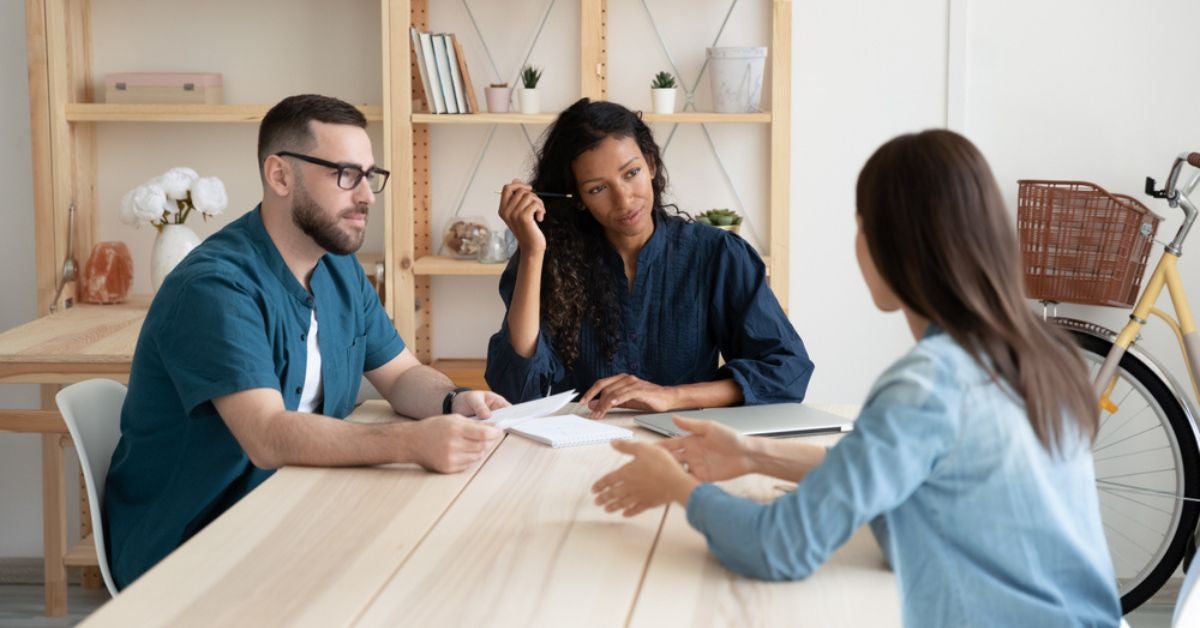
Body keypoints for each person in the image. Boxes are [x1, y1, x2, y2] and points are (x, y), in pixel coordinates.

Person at [591, 130, 1121, 626]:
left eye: (860, 224)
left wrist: (678, 489)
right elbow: (899, 474)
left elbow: (781, 547)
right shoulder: (1039, 353)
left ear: (886, 244)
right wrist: (753, 454)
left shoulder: (928, 384)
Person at [103, 94, 508, 589]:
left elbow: (400, 375)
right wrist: (409, 443)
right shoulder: (215, 287)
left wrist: (452, 400)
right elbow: (267, 436)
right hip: (194, 543)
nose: (367, 196)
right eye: (345, 175)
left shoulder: (338, 268)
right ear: (280, 176)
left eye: (370, 176)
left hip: (297, 503)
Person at [485, 98, 813, 418]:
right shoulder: (546, 261)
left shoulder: (717, 254)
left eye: (631, 173)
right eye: (598, 188)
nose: (625, 200)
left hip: (687, 446)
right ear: (578, 198)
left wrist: (670, 397)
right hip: (579, 449)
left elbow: (787, 371)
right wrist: (532, 251)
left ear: (652, 164)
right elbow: (516, 389)